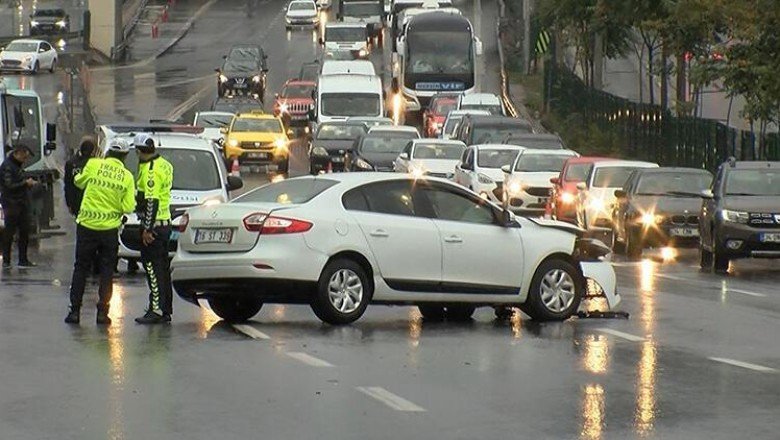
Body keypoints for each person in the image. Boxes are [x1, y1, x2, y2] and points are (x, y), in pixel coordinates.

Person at [64, 140, 136, 325]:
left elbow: (78, 182)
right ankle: (102, 314)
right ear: (125, 156)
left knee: (80, 268)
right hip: (109, 230)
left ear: (107, 152)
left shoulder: (94, 164)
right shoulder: (127, 177)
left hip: (87, 226)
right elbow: (128, 207)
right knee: (106, 272)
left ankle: (74, 312)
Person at [132, 134, 174, 324]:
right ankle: (165, 308)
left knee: (151, 268)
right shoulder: (165, 164)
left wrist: (147, 229)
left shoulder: (150, 171)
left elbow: (151, 201)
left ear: (139, 151)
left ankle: (156, 308)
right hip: (165, 224)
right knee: (163, 269)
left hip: (155, 226)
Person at [0, 144, 38, 269]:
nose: (25, 160)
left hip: (20, 203)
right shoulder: (7, 166)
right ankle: (6, 260)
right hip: (11, 204)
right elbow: (9, 185)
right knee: (9, 232)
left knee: (24, 231)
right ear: (17, 153)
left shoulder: (16, 165)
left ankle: (23, 259)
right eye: (24, 157)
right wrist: (25, 183)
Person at [64, 136, 98, 217]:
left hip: (78, 203)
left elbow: (68, 185)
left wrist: (69, 204)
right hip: (91, 203)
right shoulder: (97, 164)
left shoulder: (71, 163)